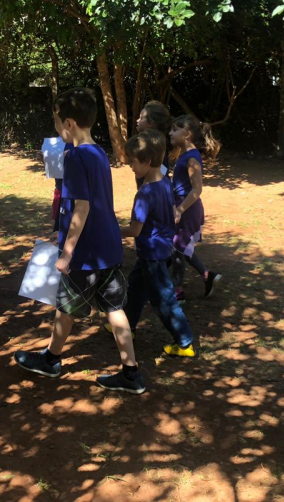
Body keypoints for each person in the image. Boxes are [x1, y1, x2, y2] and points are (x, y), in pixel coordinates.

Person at [14, 87, 145, 395]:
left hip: (86, 252)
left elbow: (82, 208)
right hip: (109, 248)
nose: (56, 128)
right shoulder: (98, 153)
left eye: (56, 122)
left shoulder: (74, 157)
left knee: (66, 306)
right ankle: (131, 373)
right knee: (115, 309)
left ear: (69, 124)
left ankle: (51, 359)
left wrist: (66, 252)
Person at [121, 129, 195, 357]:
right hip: (161, 248)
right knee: (135, 286)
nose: (130, 167)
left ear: (146, 161)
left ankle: (184, 342)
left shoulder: (144, 193)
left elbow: (135, 229)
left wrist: (112, 230)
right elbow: (171, 214)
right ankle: (127, 326)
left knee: (163, 299)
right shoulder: (165, 182)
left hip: (152, 254)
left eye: (133, 162)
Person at [169, 114, 222, 301]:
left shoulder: (192, 158)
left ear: (187, 134)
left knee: (178, 248)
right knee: (180, 247)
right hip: (181, 207)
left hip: (187, 209)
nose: (170, 133)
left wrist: (180, 210)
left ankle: (178, 292)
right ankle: (208, 276)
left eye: (175, 129)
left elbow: (197, 189)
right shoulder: (184, 155)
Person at [135, 101, 173, 177]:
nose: (137, 120)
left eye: (141, 118)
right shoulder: (150, 142)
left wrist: (154, 169)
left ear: (150, 123)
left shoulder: (156, 145)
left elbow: (164, 169)